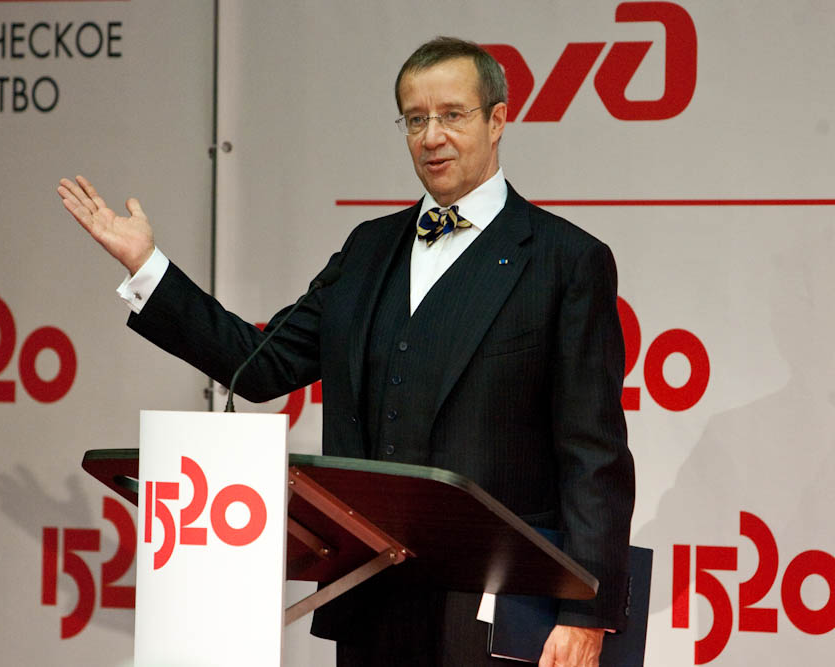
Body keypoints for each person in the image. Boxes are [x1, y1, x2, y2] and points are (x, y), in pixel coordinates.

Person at [58, 36, 634, 667]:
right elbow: (262, 364)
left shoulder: (565, 260)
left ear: (497, 120)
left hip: (497, 609)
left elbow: (593, 455)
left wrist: (587, 613)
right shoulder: (368, 249)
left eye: (452, 115)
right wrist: (147, 267)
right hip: (370, 596)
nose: (432, 137)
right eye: (415, 119)